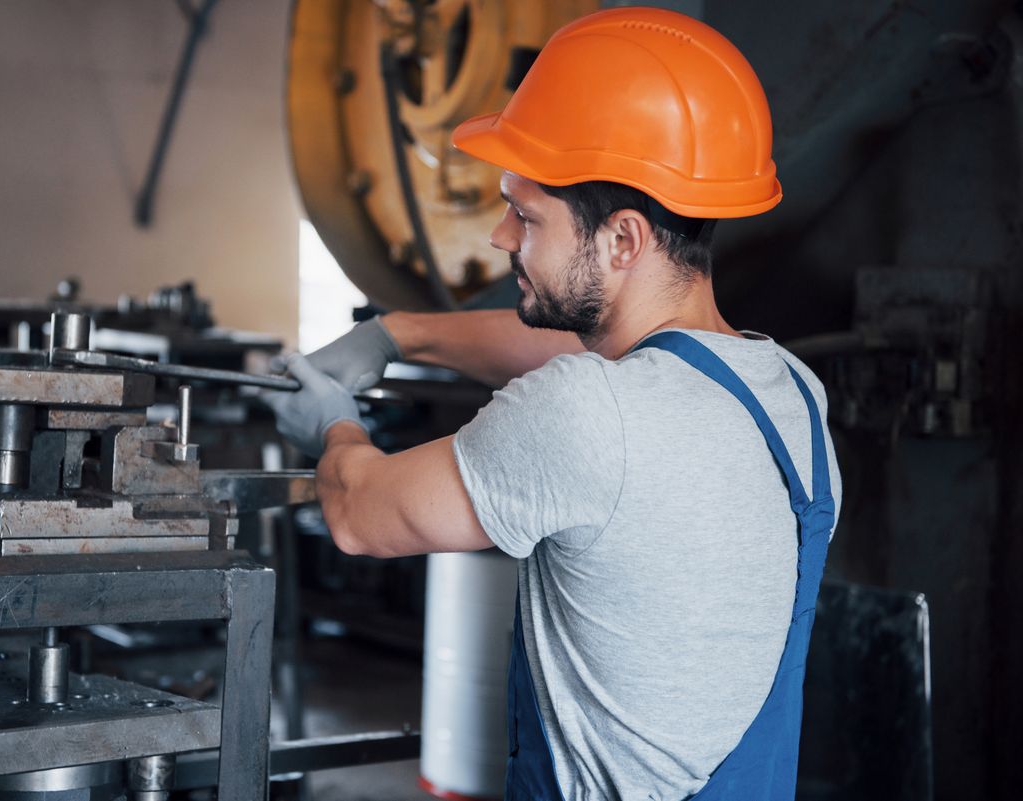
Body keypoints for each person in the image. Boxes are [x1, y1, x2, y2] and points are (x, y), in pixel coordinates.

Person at [264, 7, 841, 800]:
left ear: (624, 240)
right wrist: (399, 335)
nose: (501, 236)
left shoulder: (588, 413)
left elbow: (359, 513)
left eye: (526, 214)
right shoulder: (790, 396)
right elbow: (593, 354)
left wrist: (328, 421)